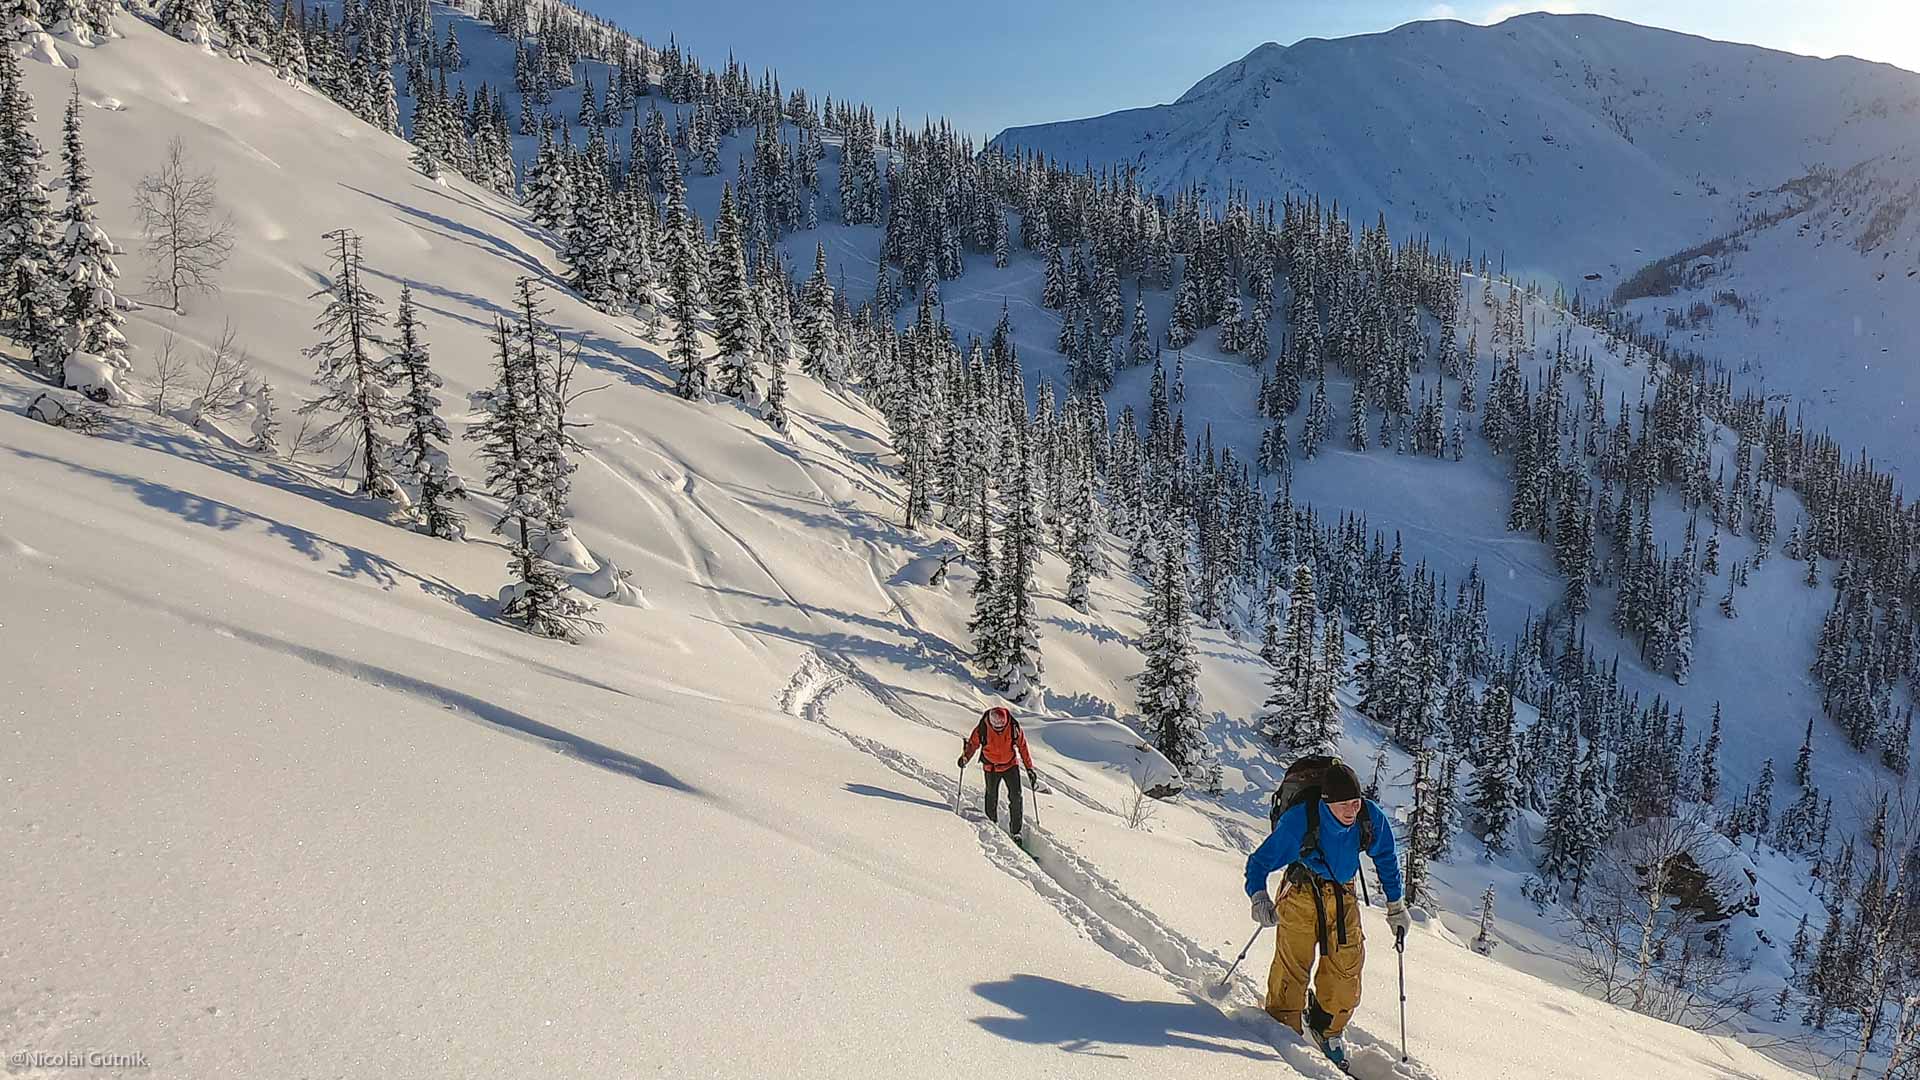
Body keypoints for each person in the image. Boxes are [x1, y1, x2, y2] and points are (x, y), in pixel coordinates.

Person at [1243, 760, 1410, 1070]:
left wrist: (1396, 906)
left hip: (1344, 893)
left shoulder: (1369, 817)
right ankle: (1283, 1027)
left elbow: (1387, 857)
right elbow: (1259, 862)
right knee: (1293, 966)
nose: (1351, 810)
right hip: (1301, 890)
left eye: (1355, 802)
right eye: (1343, 804)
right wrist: (1258, 897)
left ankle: (1326, 1028)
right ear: (1326, 802)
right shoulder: (1300, 821)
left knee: (1347, 967)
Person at [958, 706, 1036, 837]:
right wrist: (965, 758)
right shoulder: (982, 728)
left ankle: (1016, 831)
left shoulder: (1013, 727)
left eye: (1001, 726)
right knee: (991, 796)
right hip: (991, 767)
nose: (999, 729)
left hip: (1010, 765)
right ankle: (992, 823)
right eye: (996, 726)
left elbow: (1022, 747)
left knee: (1016, 797)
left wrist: (1029, 768)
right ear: (990, 721)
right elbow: (972, 744)